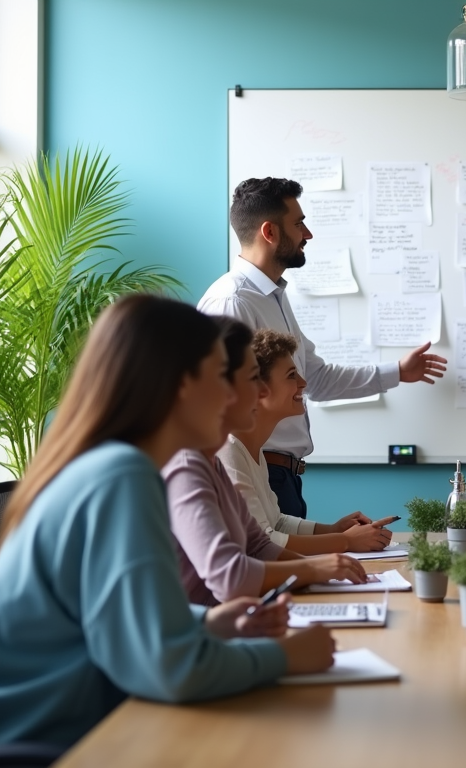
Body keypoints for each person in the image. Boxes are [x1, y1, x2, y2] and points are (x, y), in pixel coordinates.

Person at [0, 296, 334, 749]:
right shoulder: (123, 476)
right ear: (182, 384)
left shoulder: (110, 467)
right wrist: (283, 656)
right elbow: (171, 671)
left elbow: (111, 623)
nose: (230, 396)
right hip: (43, 748)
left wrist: (207, 625)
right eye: (219, 376)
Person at [198, 177, 448, 519]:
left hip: (283, 477)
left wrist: (398, 372)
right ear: (269, 233)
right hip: (256, 474)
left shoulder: (273, 297)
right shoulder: (233, 302)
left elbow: (314, 379)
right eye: (299, 223)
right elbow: (218, 405)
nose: (308, 234)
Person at [164, 318, 367, 606]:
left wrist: (327, 572)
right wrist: (317, 565)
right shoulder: (188, 465)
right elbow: (230, 578)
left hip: (230, 623)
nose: (260, 392)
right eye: (251, 380)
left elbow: (259, 544)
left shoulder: (213, 462)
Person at [219, 329, 394, 555]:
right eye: (292, 375)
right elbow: (264, 542)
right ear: (259, 388)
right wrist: (345, 542)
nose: (303, 383)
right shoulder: (229, 451)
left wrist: (333, 530)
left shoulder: (254, 450)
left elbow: (277, 522)